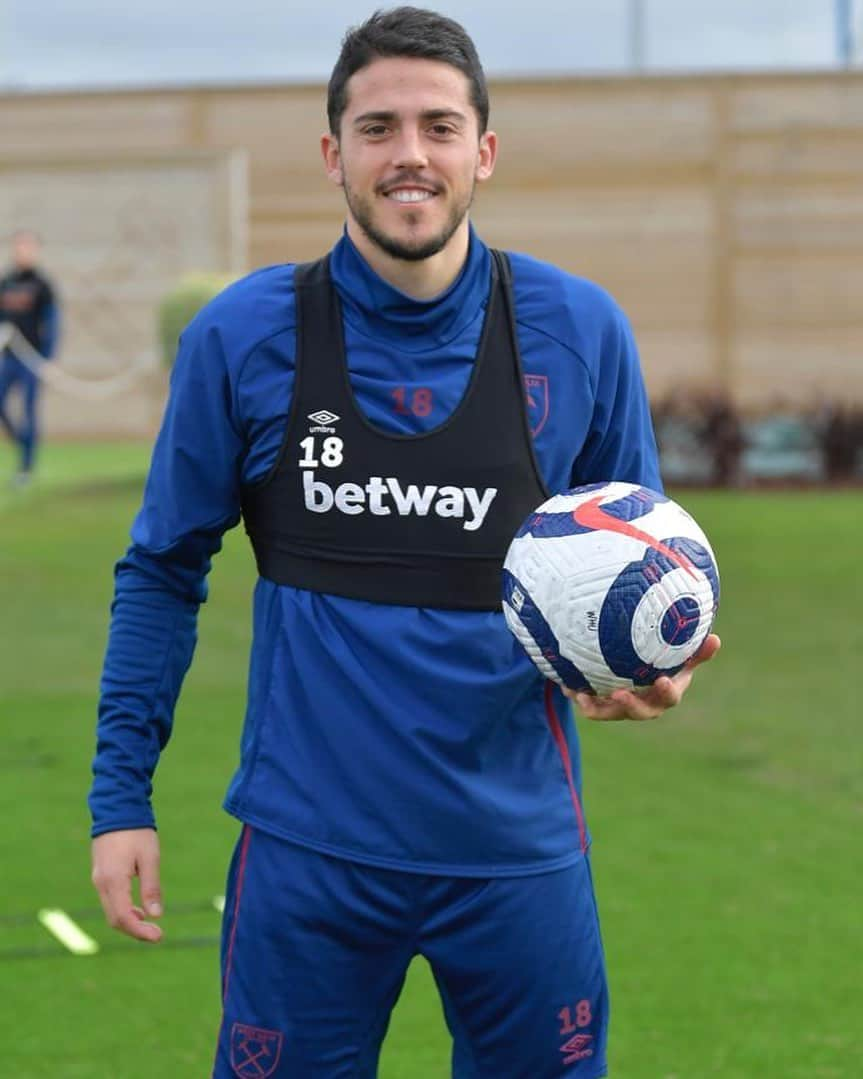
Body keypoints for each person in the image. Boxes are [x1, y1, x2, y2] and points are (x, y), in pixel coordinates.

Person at [89, 8, 720, 1077]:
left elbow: (643, 566)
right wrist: (119, 797)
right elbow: (162, 567)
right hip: (307, 856)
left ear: (483, 150)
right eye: (377, 128)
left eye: (437, 125)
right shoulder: (243, 335)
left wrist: (653, 673)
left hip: (516, 855)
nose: (409, 155)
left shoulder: (578, 329)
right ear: (334, 154)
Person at [0, 229, 60, 486]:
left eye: (28, 246)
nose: (23, 251)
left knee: (28, 410)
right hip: (9, 356)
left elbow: (53, 323)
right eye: (20, 246)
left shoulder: (42, 285)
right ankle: (21, 441)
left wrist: (47, 358)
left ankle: (26, 466)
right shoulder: (6, 282)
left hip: (31, 358)